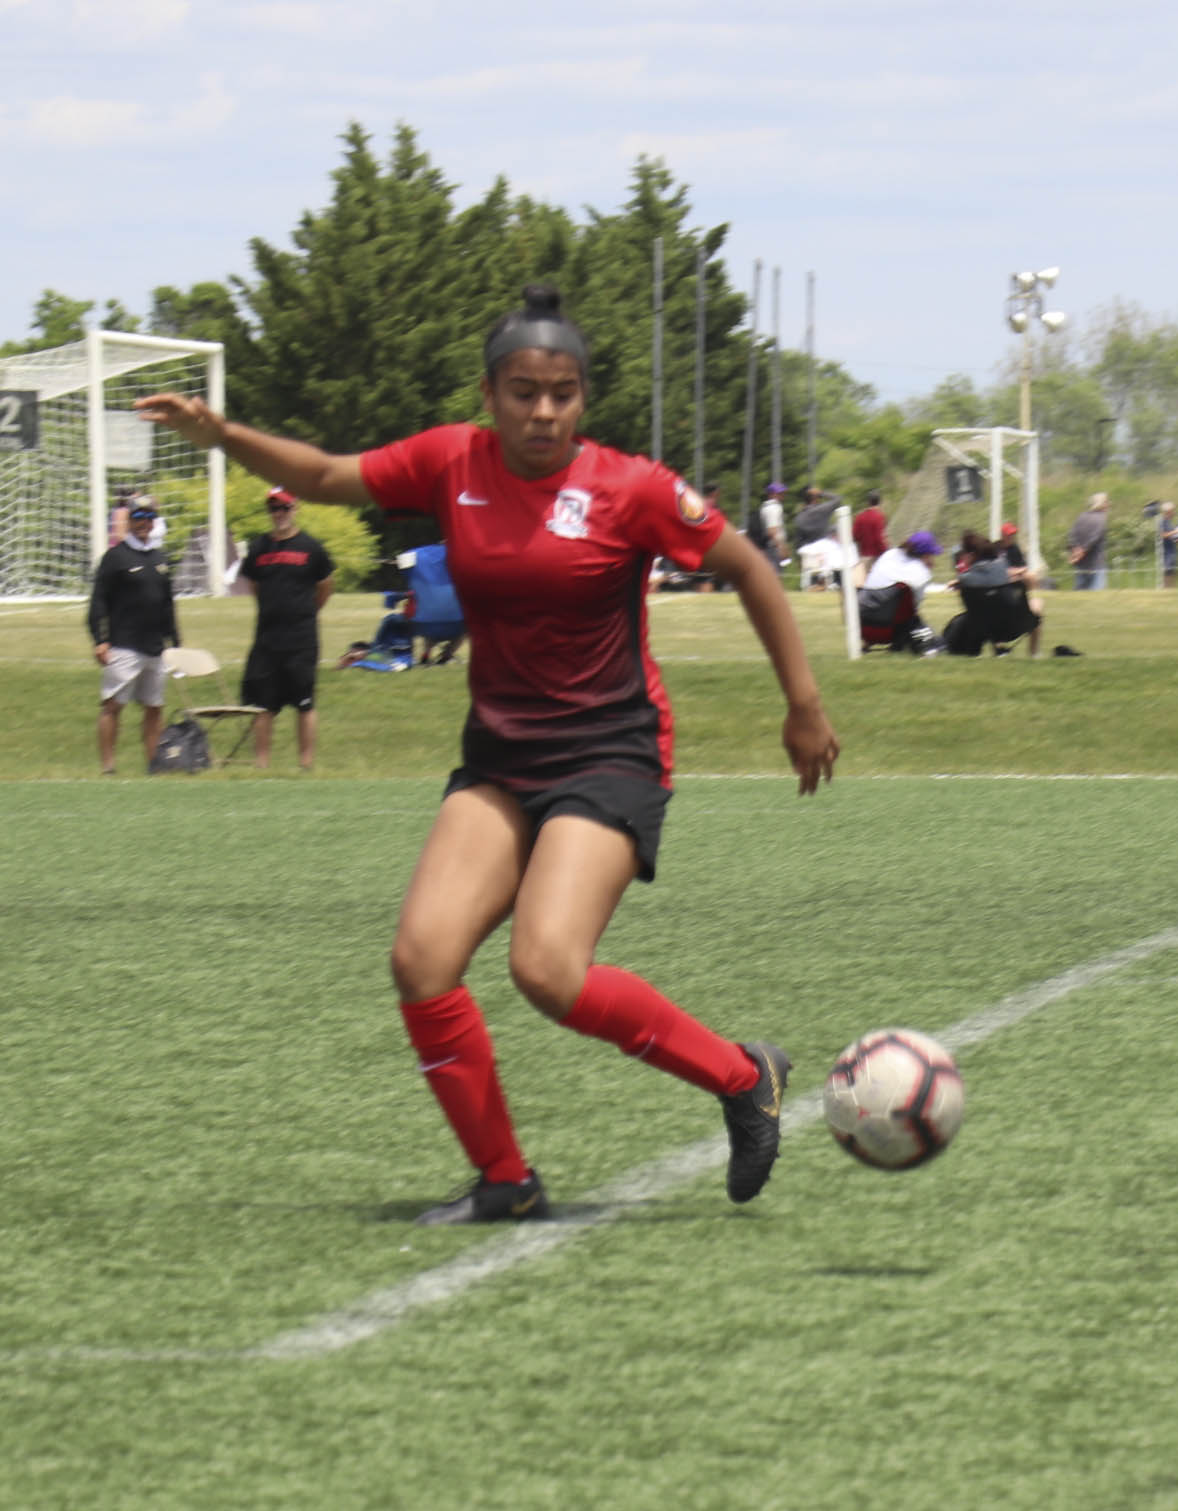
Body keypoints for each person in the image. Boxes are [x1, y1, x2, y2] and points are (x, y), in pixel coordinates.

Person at [135, 284, 840, 1225]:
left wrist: (802, 703)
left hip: (610, 749)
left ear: (584, 397)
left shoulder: (629, 487)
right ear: (491, 393)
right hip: (501, 755)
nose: (542, 410)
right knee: (421, 959)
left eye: (561, 392)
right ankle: (505, 1181)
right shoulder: (448, 461)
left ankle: (742, 1076)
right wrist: (221, 434)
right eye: (522, 391)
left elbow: (748, 565)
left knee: (547, 968)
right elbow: (324, 475)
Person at [234, 487, 335, 769]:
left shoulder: (311, 548)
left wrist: (306, 611)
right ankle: (261, 762)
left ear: (295, 508)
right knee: (262, 704)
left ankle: (305, 763)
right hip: (267, 637)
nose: (279, 514)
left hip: (301, 638)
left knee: (304, 702)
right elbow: (254, 585)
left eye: (284, 508)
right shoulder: (258, 548)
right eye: (274, 509)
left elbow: (325, 586)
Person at [88, 497, 178, 774]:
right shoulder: (115, 557)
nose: (144, 522)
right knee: (113, 705)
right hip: (124, 644)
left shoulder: (160, 557)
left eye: (150, 517)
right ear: (129, 520)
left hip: (154, 647)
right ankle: (108, 766)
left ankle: (154, 764)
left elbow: (167, 605)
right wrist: (99, 639)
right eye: (139, 516)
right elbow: (98, 601)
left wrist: (176, 643)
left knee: (154, 707)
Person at [947, 531, 1046, 656]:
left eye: (963, 553)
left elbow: (975, 577)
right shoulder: (1001, 565)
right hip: (1015, 627)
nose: (962, 557)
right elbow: (999, 577)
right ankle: (1034, 653)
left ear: (971, 555)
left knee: (987, 607)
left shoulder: (966, 580)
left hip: (985, 630)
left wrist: (959, 581)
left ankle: (998, 648)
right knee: (1037, 602)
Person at [859, 529, 944, 652]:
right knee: (934, 638)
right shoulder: (921, 573)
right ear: (926, 555)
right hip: (889, 630)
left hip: (863, 627)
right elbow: (912, 610)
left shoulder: (889, 555)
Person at [1069, 493, 1110, 591]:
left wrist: (1075, 550)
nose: (1109, 504)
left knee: (1079, 592)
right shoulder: (1101, 518)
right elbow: (1095, 537)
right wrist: (1083, 550)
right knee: (1097, 595)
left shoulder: (1081, 516)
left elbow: (1072, 534)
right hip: (1096, 564)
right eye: (1107, 502)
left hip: (1081, 563)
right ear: (1102, 504)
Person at [851, 492, 889, 584]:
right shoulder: (879, 516)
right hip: (877, 556)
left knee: (865, 582)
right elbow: (879, 538)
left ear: (868, 502)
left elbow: (854, 535)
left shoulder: (860, 517)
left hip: (864, 555)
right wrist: (886, 551)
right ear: (879, 502)